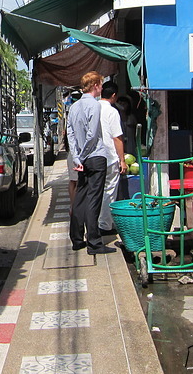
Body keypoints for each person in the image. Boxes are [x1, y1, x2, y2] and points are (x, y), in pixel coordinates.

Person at [66, 72, 115, 255]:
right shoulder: (94, 106)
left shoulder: (74, 106)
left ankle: (77, 239)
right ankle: (94, 242)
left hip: (81, 157)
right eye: (100, 84)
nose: (101, 88)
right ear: (95, 85)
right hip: (94, 156)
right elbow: (92, 134)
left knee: (80, 198)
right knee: (94, 199)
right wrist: (84, 155)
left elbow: (70, 133)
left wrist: (77, 156)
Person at [97, 82, 127, 236]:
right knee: (109, 191)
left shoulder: (93, 108)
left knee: (96, 191)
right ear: (114, 95)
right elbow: (117, 138)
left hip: (94, 157)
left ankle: (95, 223)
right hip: (109, 157)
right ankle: (105, 225)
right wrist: (122, 160)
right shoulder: (112, 112)